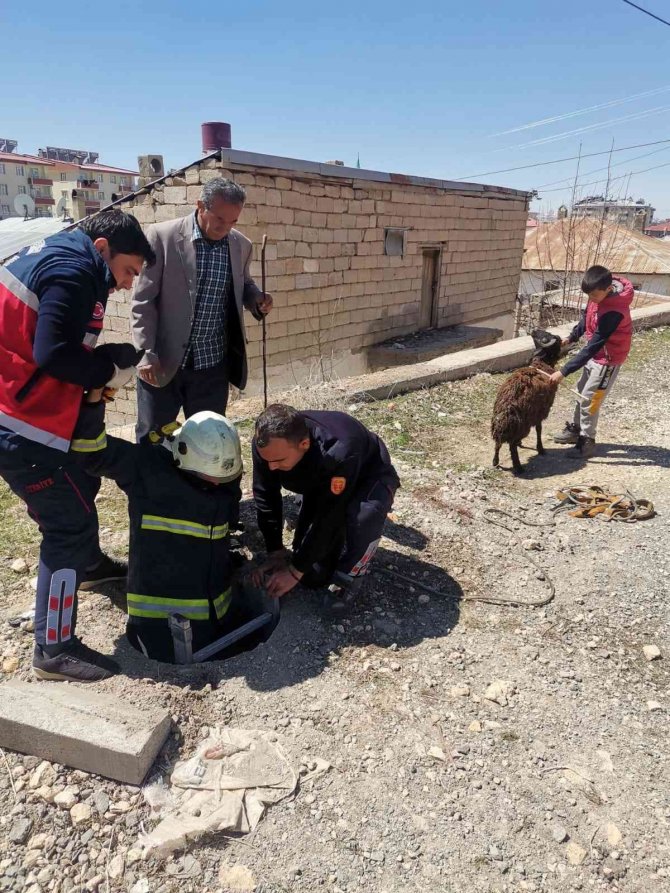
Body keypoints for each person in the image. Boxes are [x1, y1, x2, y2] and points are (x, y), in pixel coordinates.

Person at [0, 210, 155, 682]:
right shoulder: (73, 270)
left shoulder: (67, 258)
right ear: (103, 247)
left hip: (26, 409)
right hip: (18, 424)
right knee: (67, 523)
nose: (127, 285)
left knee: (80, 482)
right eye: (128, 271)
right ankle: (54, 648)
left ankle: (88, 566)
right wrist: (106, 370)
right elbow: (52, 354)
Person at [68, 394, 243, 671]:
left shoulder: (224, 472)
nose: (217, 483)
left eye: (225, 479)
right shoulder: (146, 468)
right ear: (183, 453)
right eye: (210, 478)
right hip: (155, 623)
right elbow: (90, 453)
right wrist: (93, 401)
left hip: (217, 613)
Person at [131, 177, 273, 442]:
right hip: (163, 364)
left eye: (233, 221)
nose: (225, 227)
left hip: (211, 367)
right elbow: (143, 301)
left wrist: (256, 299)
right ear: (200, 206)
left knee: (208, 441)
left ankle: (199, 485)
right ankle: (158, 484)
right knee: (154, 440)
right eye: (220, 219)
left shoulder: (241, 245)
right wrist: (145, 353)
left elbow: (245, 285)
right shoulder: (163, 237)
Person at [251, 404, 400, 606]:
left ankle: (352, 573)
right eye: (266, 460)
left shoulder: (340, 449)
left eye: (278, 461)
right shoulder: (267, 444)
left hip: (368, 476)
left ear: (304, 444)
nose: (271, 467)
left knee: (364, 516)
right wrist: (275, 551)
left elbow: (330, 515)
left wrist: (295, 572)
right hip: (321, 482)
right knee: (313, 577)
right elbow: (265, 495)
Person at [550, 265, 634, 459]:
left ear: (608, 289)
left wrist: (563, 371)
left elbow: (594, 345)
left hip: (607, 359)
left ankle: (587, 441)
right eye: (589, 296)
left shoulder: (615, 311)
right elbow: (585, 318)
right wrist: (571, 337)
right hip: (596, 355)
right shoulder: (597, 296)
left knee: (591, 400)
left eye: (595, 296)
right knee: (581, 392)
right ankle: (576, 430)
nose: (591, 300)